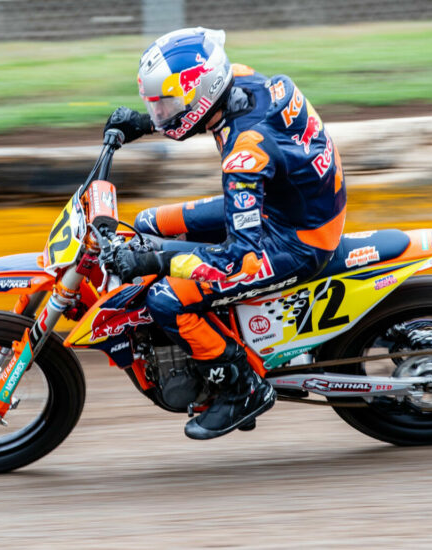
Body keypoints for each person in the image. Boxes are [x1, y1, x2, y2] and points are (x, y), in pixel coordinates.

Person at [104, 27, 347, 440]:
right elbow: (197, 111)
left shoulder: (244, 156)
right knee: (148, 222)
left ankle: (242, 388)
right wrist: (145, 124)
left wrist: (156, 261)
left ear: (203, 94)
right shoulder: (246, 80)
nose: (163, 112)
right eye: (158, 104)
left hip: (297, 239)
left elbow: (241, 256)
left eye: (165, 104)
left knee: (167, 298)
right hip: (286, 204)